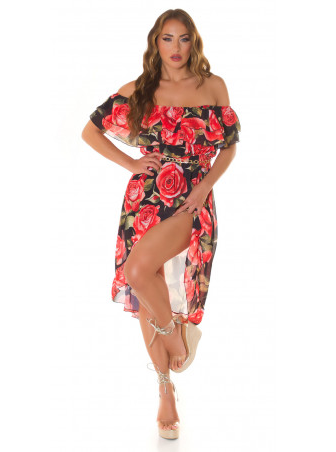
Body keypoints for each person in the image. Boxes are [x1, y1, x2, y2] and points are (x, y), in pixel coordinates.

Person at [81, 8, 241, 440]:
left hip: (191, 199)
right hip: (145, 199)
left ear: (194, 42)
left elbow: (228, 146)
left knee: (138, 270)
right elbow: (90, 131)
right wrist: (132, 163)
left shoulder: (212, 85)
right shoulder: (140, 89)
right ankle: (165, 389)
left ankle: (175, 337)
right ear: (156, 43)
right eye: (167, 39)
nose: (175, 47)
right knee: (142, 284)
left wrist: (204, 187)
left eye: (183, 38)